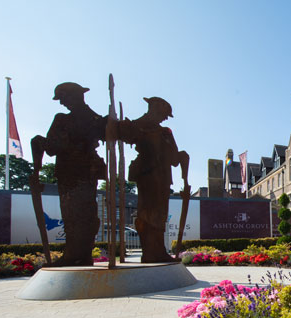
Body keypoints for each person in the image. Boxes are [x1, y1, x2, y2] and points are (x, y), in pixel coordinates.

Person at [30, 82, 106, 266]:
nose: (63, 103)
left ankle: (75, 255)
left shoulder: (64, 120)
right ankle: (81, 255)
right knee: (84, 213)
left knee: (75, 214)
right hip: (84, 173)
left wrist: (38, 143)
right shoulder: (97, 119)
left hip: (73, 174)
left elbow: (53, 148)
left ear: (76, 96)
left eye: (64, 98)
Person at [114, 97, 188, 263]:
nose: (164, 119)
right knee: (148, 214)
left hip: (162, 178)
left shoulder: (165, 132)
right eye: (164, 115)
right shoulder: (136, 126)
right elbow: (121, 135)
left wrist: (182, 157)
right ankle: (150, 252)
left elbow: (174, 159)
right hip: (147, 176)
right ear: (154, 109)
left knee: (159, 214)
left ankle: (157, 250)